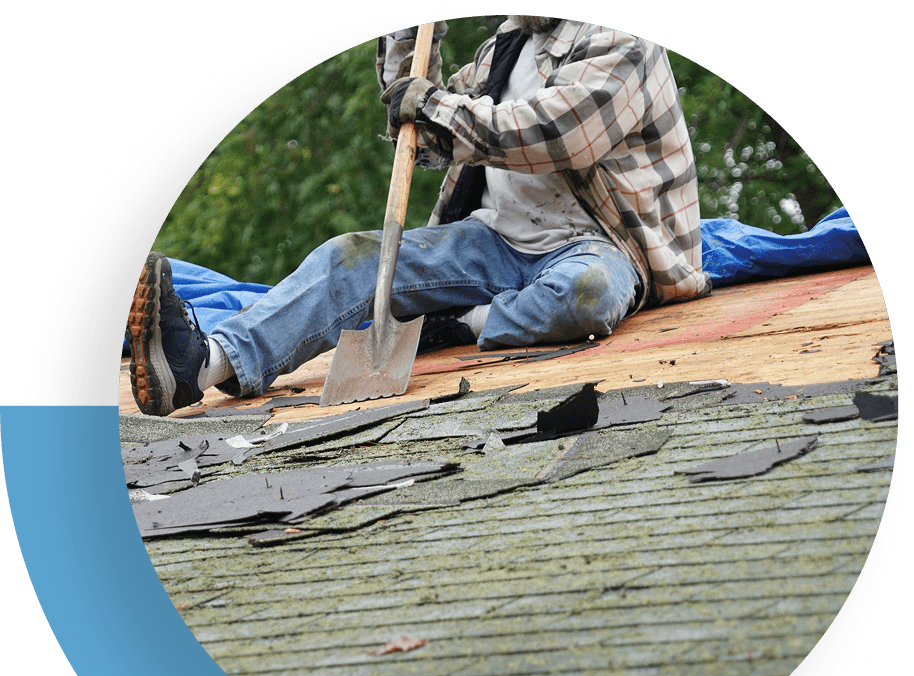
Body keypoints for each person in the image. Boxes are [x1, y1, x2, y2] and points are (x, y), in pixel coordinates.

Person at [129, 16, 711, 417]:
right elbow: (426, 135)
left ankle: (460, 323)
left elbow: (556, 134)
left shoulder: (627, 42)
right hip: (497, 242)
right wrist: (405, 42)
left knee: (584, 293)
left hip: (601, 244)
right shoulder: (507, 47)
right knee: (351, 259)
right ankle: (199, 366)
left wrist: (434, 107)